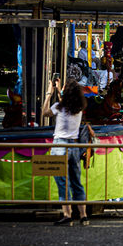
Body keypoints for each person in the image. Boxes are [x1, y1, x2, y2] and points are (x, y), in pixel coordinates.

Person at [43, 79, 88, 225]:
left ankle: (67, 215)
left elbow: (45, 113)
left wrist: (49, 93)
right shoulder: (79, 108)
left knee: (62, 182)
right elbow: (66, 101)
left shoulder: (58, 107)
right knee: (76, 181)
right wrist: (59, 89)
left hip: (60, 145)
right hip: (74, 146)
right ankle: (83, 216)